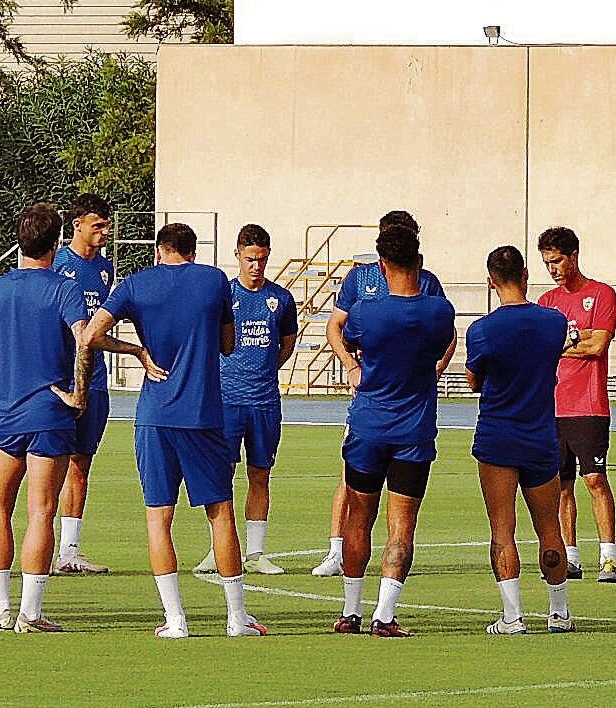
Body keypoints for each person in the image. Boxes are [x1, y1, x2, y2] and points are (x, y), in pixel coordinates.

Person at [82, 222, 261, 639]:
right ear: (193, 252)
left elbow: (91, 335)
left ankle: (176, 620)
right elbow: (228, 343)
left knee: (158, 517)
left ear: (159, 250)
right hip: (202, 414)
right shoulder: (214, 280)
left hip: (154, 415)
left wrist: (138, 351)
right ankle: (236, 619)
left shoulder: (135, 284)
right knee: (220, 513)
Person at [325, 224, 457, 636]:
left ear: (381, 266)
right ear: (418, 261)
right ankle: (385, 614)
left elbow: (348, 335)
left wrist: (353, 365)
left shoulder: (366, 312)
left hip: (368, 426)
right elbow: (442, 343)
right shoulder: (438, 310)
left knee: (358, 518)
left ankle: (351, 610)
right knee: (401, 527)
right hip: (413, 431)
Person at [0, 203, 91, 632]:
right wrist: (78, 394)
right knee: (42, 510)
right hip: (50, 414)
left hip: (5, 415)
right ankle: (31, 613)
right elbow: (84, 341)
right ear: (56, 243)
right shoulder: (64, 289)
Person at [465, 245, 575, 634]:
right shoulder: (553, 321)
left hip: (498, 435)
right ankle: (559, 612)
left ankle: (513, 616)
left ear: (491, 281)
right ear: (525, 275)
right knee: (549, 527)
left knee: (502, 528)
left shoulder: (482, 330)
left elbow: (475, 380)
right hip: (541, 434)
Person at [200, 224, 297, 577]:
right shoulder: (223, 295)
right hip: (226, 400)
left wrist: (268, 366)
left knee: (260, 474)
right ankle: (218, 549)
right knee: (221, 475)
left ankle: (256, 553)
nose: (256, 265)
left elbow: (286, 343)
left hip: (264, 402)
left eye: (262, 259)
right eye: (250, 258)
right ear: (238, 255)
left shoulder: (281, 299)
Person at [536, 226, 616, 583]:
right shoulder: (546, 302)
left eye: (556, 261)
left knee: (595, 479)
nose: (552, 269)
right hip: (553, 407)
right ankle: (571, 556)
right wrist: (575, 337)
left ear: (573, 256)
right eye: (546, 263)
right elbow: (542, 347)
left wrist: (566, 340)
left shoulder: (601, 294)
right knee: (561, 485)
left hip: (589, 406)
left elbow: (597, 345)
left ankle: (609, 557)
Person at [52, 194, 117, 575]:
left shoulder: (106, 269)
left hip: (94, 381)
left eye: (106, 225)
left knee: (81, 463)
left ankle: (69, 549)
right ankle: (40, 546)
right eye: (97, 225)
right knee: (51, 463)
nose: (104, 232)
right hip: (60, 378)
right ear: (77, 225)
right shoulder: (59, 266)